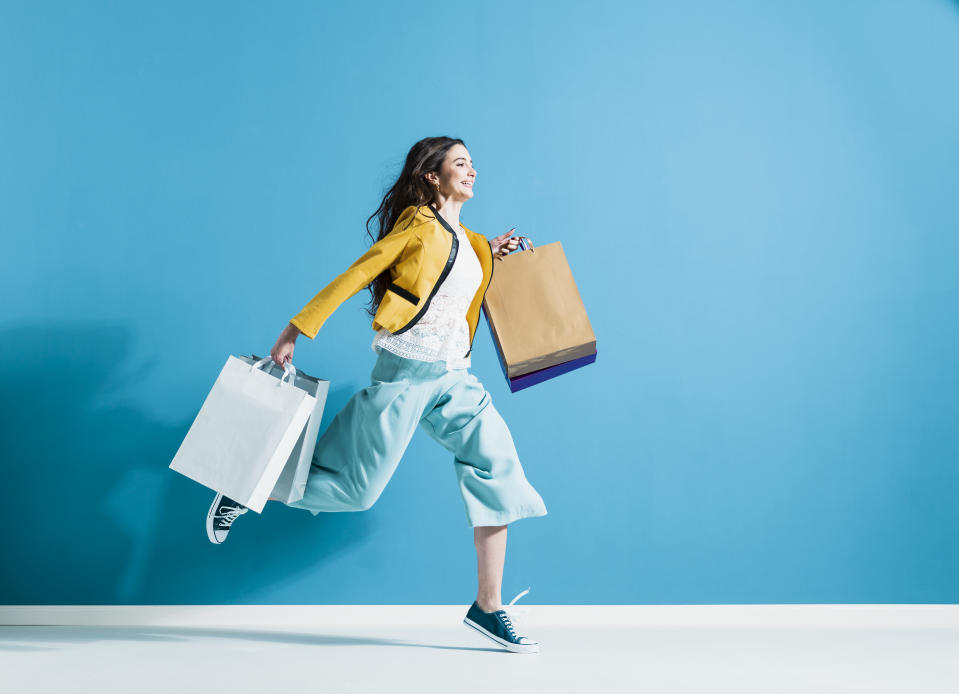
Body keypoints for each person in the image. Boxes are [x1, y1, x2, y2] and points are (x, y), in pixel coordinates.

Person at [205, 136, 547, 654]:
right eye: (460, 164)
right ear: (432, 175)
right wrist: (297, 328)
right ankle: (248, 485)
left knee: (499, 467)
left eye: (473, 164)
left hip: (456, 377)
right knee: (356, 493)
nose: (472, 171)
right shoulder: (417, 224)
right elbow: (359, 272)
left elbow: (456, 273)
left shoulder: (470, 240)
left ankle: (489, 606)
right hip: (407, 375)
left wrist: (491, 253)